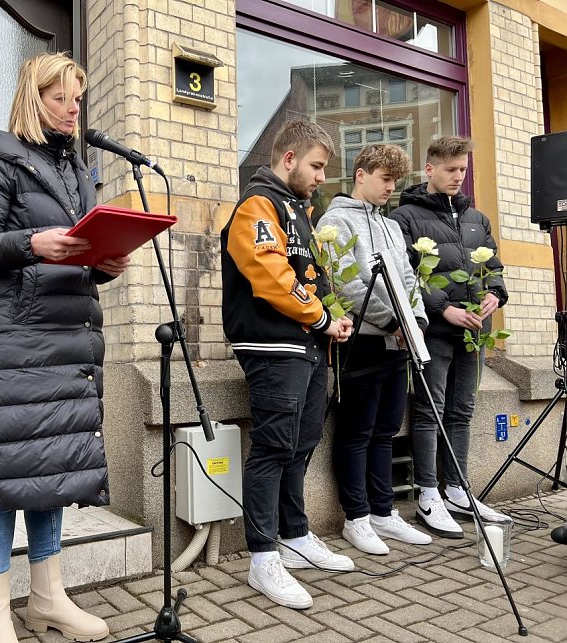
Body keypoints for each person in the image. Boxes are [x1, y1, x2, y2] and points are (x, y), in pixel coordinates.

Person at [0, 52, 130, 643]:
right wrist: (33, 241)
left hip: (71, 336)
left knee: (53, 466)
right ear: (35, 98)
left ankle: (49, 597)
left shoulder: (78, 170)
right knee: (5, 472)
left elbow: (77, 251)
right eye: (61, 98)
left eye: (78, 99)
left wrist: (106, 263)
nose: (73, 108)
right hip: (20, 339)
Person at [221, 119, 354, 610]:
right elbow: (270, 275)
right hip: (271, 345)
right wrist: (321, 316)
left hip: (310, 344)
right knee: (274, 447)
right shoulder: (258, 204)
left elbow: (311, 278)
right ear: (290, 158)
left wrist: (332, 319)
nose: (322, 176)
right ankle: (262, 557)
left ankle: (295, 536)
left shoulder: (300, 211)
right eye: (317, 166)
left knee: (302, 443)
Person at [390, 136, 509, 539]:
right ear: (429, 169)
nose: (458, 177)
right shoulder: (405, 216)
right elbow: (407, 275)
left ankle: (457, 489)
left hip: (475, 331)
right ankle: (428, 495)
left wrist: (494, 294)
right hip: (437, 330)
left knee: (462, 411)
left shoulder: (476, 217)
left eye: (463, 169)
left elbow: (492, 264)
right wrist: (444, 308)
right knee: (430, 411)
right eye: (450, 169)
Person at [316, 144, 432, 555]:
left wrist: (415, 322)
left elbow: (409, 279)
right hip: (361, 342)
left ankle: (383, 512)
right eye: (385, 178)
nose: (391, 187)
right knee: (356, 431)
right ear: (360, 174)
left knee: (386, 430)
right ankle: (357, 518)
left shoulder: (391, 226)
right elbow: (344, 286)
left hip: (398, 342)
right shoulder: (334, 221)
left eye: (396, 181)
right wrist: (392, 321)